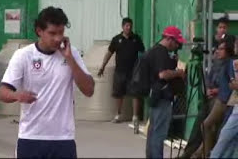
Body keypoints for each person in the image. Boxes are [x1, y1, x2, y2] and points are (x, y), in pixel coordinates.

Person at [0, 6, 95, 158]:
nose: (57, 38)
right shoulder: (23, 56)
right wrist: (17, 95)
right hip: (31, 138)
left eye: (61, 33)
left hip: (63, 139)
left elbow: (89, 90)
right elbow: (2, 93)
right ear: (39, 31)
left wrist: (69, 58)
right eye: (52, 33)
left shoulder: (72, 53)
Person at [181, 40, 234, 158]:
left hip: (223, 100)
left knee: (207, 125)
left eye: (221, 49)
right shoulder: (217, 64)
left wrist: (217, 91)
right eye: (218, 49)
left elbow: (230, 84)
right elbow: (209, 79)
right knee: (204, 124)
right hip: (216, 98)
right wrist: (209, 89)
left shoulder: (230, 64)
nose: (218, 51)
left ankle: (203, 153)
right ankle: (198, 153)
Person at [145, 26, 186, 158]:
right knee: (159, 132)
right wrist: (179, 73)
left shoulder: (154, 51)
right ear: (169, 39)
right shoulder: (160, 52)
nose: (176, 46)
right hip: (162, 96)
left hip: (154, 94)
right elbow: (163, 74)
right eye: (176, 43)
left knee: (153, 130)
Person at [97, 18, 145, 123]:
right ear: (122, 27)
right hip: (120, 71)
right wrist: (102, 67)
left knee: (135, 93)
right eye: (127, 26)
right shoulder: (116, 39)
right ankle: (118, 115)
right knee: (119, 94)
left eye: (130, 26)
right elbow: (109, 53)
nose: (129, 28)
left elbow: (143, 53)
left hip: (133, 71)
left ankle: (135, 116)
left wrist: (143, 68)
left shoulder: (136, 39)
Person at [210, 58, 238, 158]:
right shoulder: (233, 63)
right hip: (234, 103)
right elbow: (231, 84)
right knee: (231, 139)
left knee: (225, 136)